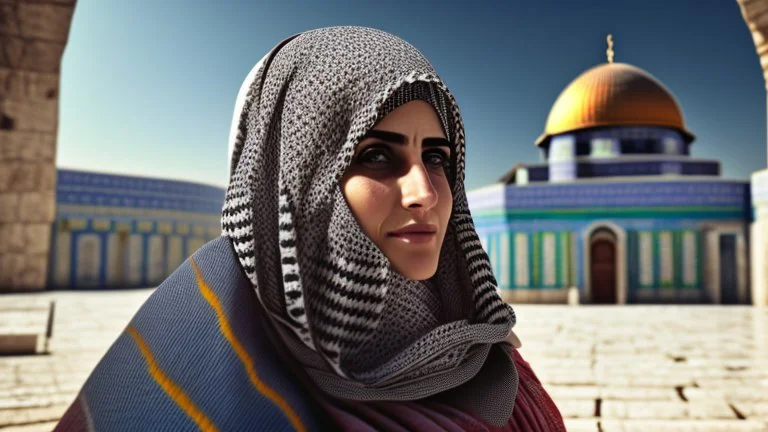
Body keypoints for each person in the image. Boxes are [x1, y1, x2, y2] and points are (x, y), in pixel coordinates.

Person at [55, 26, 565, 431]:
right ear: (296, 182)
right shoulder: (194, 364)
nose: (426, 193)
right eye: (378, 156)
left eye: (436, 157)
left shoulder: (480, 352)